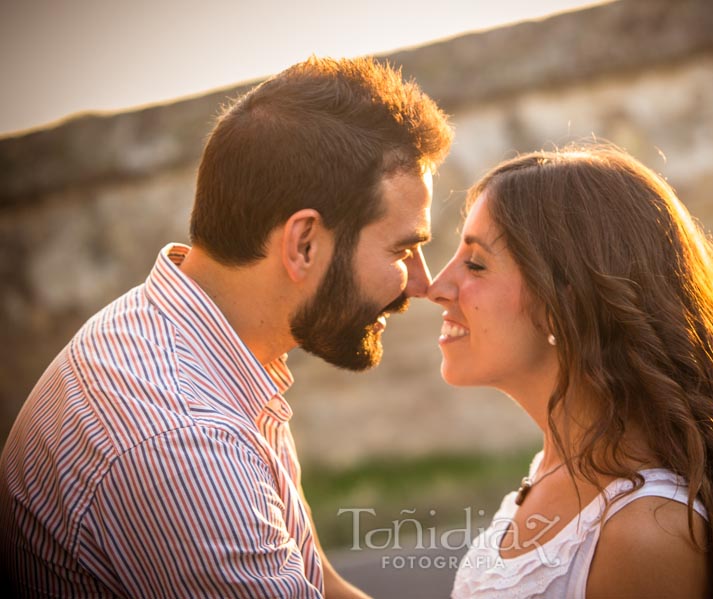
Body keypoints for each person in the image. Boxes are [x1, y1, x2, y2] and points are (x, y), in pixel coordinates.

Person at [0, 56, 452, 598]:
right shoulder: (186, 437)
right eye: (403, 248)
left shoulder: (202, 343)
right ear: (303, 243)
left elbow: (318, 583)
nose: (420, 284)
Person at [428, 146, 713, 598]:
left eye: (475, 263)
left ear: (565, 303)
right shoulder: (554, 466)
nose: (437, 287)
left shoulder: (646, 532)